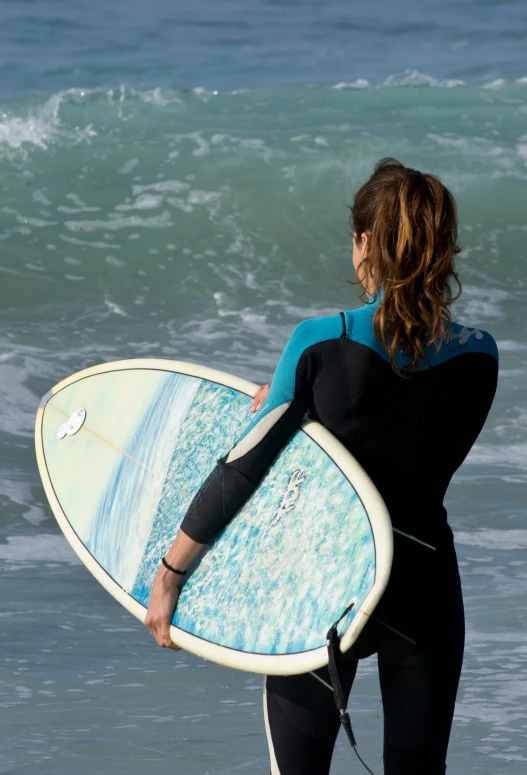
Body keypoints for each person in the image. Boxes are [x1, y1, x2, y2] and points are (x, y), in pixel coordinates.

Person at [145, 158, 499, 774]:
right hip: (425, 585)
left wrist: (172, 571)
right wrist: (306, 406)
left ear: (364, 243)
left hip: (320, 588)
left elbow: (242, 470)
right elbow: (405, 439)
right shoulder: (481, 357)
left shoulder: (319, 343)